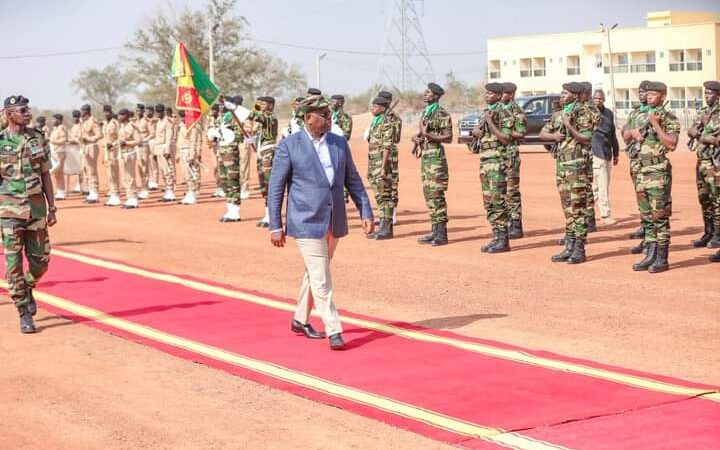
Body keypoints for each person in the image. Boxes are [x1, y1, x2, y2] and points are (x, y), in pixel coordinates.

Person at [268, 94, 374, 351]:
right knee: (322, 276)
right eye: (324, 115)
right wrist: (275, 224)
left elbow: (353, 179)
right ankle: (334, 329)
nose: (329, 119)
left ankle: (300, 319)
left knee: (316, 272)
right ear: (308, 118)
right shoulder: (289, 145)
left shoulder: (338, 143)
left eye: (330, 115)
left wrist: (366, 211)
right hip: (305, 219)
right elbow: (276, 187)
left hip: (333, 218)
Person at [0, 95, 57, 333]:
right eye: (22, 110)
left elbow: (45, 174)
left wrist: (52, 207)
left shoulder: (38, 138)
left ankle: (29, 285)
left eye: (28, 109)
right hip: (9, 211)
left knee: (41, 262)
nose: (27, 112)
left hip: (36, 209)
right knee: (13, 265)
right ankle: (23, 310)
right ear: (9, 114)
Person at [539, 82, 598, 264]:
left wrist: (568, 125)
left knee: (578, 208)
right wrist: (554, 136)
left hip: (578, 167)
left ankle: (579, 249)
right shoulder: (559, 114)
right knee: (568, 208)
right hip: (562, 166)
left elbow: (586, 138)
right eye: (562, 93)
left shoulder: (587, 112)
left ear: (577, 95)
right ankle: (569, 246)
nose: (562, 96)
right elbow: (543, 134)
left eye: (566, 93)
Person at [627, 81, 679, 273]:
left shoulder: (668, 117)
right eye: (647, 94)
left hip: (657, 172)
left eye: (653, 95)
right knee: (647, 217)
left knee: (660, 217)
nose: (649, 97)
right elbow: (626, 134)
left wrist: (656, 124)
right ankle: (649, 254)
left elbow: (672, 143)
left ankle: (662, 258)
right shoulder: (640, 115)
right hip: (641, 171)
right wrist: (634, 133)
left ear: (663, 96)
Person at [473, 82, 513, 253]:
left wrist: (491, 123)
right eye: (486, 93)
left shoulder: (504, 112)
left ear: (498, 95)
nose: (486, 96)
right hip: (485, 162)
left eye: (490, 94)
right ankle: (496, 236)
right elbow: (481, 134)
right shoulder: (486, 113)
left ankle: (503, 240)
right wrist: (476, 131)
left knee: (498, 201)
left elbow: (506, 138)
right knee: (488, 202)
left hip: (497, 162)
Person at [413, 83, 453, 246]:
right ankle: (435, 231)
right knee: (429, 195)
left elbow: (448, 137)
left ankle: (442, 234)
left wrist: (427, 134)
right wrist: (417, 138)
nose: (425, 94)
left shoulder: (441, 113)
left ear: (436, 96)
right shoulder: (426, 112)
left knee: (437, 195)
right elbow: (423, 134)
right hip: (427, 158)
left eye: (428, 92)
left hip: (436, 159)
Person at [687, 80, 720, 249]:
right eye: (705, 93)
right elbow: (691, 130)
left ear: (717, 95)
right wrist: (704, 136)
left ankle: (717, 234)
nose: (706, 96)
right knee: (704, 198)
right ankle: (708, 231)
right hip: (701, 162)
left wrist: (704, 136)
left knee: (717, 199)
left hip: (715, 164)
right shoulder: (703, 111)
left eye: (709, 93)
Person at [622, 80, 651, 245]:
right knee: (640, 197)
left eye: (644, 91)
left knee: (651, 199)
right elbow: (624, 134)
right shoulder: (634, 113)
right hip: (636, 161)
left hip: (651, 164)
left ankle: (651, 237)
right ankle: (644, 226)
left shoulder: (656, 113)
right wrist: (631, 132)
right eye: (639, 91)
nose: (641, 94)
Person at [366, 96, 397, 240]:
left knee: (386, 196)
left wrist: (383, 168)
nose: (373, 109)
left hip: (381, 164)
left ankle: (387, 228)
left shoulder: (386, 123)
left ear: (383, 108)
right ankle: (382, 225)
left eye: (376, 106)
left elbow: (387, 147)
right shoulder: (375, 122)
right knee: (379, 196)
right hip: (373, 163)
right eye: (373, 106)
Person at [500, 82, 527, 238]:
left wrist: (504, 131)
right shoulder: (498, 109)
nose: (501, 95)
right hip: (498, 154)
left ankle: (516, 225)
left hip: (510, 154)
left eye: (503, 93)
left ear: (510, 95)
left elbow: (521, 133)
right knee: (500, 191)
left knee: (511, 191)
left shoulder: (516, 111)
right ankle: (506, 222)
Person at [247, 96, 278, 226]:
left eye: (264, 104)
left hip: (268, 153)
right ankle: (267, 214)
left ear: (271, 106)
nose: (262, 106)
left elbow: (255, 116)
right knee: (263, 186)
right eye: (261, 104)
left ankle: (273, 216)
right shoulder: (262, 121)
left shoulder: (270, 118)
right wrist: (251, 138)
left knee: (270, 184)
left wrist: (253, 108)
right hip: (261, 153)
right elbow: (254, 128)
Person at [590, 90, 619, 225]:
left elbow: (612, 134)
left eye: (600, 98)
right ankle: (605, 215)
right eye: (596, 98)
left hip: (607, 152)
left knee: (598, 187)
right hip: (596, 152)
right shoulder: (588, 113)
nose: (598, 101)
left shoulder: (608, 114)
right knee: (602, 186)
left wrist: (616, 152)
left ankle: (584, 209)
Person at [218, 95, 244, 221]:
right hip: (222, 149)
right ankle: (229, 208)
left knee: (232, 179)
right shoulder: (223, 117)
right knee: (223, 180)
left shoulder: (236, 116)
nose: (221, 107)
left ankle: (235, 210)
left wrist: (230, 135)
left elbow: (241, 135)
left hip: (230, 150)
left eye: (223, 104)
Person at [378, 90, 402, 225]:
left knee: (391, 183)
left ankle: (392, 214)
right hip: (379, 154)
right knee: (381, 184)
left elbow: (396, 138)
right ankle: (383, 214)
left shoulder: (394, 118)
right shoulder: (380, 116)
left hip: (390, 154)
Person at [176, 110, 202, 205]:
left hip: (188, 151)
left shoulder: (193, 127)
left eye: (184, 116)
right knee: (185, 174)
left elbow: (194, 142)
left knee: (189, 174)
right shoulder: (182, 126)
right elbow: (180, 141)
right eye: (181, 116)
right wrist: (178, 154)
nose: (182, 118)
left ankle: (192, 193)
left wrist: (192, 156)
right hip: (182, 151)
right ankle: (189, 192)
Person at [116, 109, 140, 208]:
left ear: (126, 116)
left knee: (130, 177)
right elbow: (119, 140)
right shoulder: (121, 127)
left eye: (121, 115)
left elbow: (138, 140)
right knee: (124, 178)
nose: (119, 117)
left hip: (130, 153)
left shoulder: (132, 126)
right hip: (121, 154)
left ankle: (133, 199)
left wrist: (126, 143)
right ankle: (129, 197)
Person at [153, 104, 177, 202]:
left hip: (164, 147)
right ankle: (167, 190)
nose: (157, 113)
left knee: (167, 170)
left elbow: (168, 136)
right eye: (156, 112)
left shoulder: (168, 121)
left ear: (163, 111)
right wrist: (155, 151)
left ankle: (171, 191)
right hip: (158, 147)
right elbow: (157, 137)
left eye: (159, 111)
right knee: (162, 171)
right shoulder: (159, 122)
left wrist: (167, 150)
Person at [79, 104, 102, 203]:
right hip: (84, 147)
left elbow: (99, 135)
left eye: (82, 111)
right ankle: (90, 192)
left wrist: (88, 139)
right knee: (86, 170)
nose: (81, 113)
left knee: (92, 170)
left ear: (87, 111)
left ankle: (95, 193)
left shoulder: (93, 121)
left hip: (92, 146)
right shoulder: (84, 122)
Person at [101, 105, 121, 206]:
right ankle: (113, 194)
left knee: (114, 174)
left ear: (111, 112)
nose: (105, 114)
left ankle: (116, 195)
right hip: (106, 152)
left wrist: (113, 144)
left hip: (114, 151)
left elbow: (120, 137)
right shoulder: (105, 124)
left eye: (107, 112)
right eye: (104, 112)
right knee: (109, 175)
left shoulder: (115, 123)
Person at [49, 113, 68, 200]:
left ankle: (62, 192)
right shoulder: (55, 129)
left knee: (59, 173)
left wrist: (54, 141)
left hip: (60, 152)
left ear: (59, 120)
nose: (53, 121)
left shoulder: (62, 129)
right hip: (54, 152)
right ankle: (60, 191)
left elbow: (64, 139)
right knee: (56, 174)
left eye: (55, 119)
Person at [67, 110, 85, 194]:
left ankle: (84, 187)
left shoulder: (82, 126)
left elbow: (80, 138)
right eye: (74, 117)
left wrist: (73, 140)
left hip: (80, 148)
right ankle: (78, 186)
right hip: (73, 149)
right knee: (76, 169)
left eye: (76, 117)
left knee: (82, 169)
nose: (75, 118)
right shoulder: (74, 126)